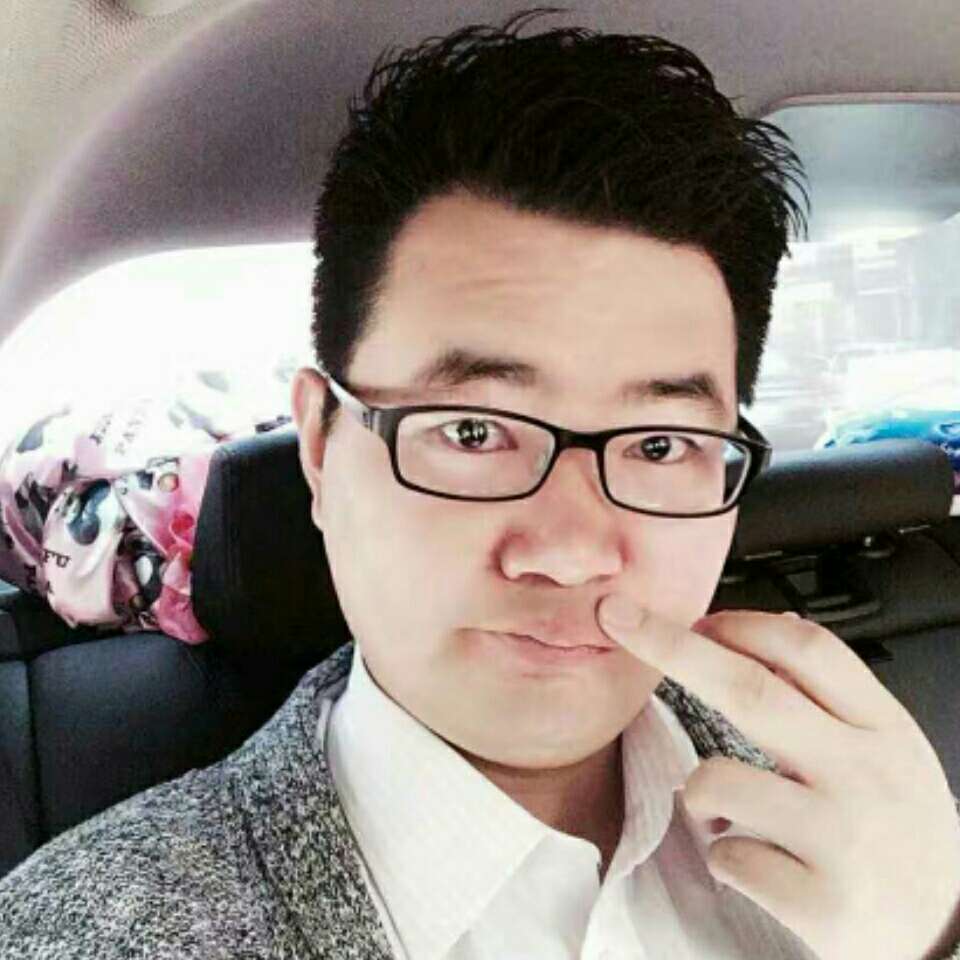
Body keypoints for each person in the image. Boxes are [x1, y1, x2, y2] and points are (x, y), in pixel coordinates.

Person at [4, 7, 960, 960]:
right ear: (322, 447)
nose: (571, 551)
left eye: (661, 444)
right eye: (473, 431)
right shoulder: (75, 935)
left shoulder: (887, 840)